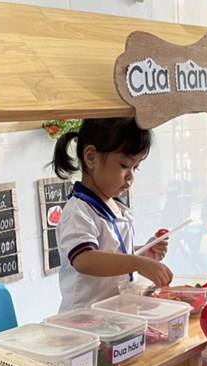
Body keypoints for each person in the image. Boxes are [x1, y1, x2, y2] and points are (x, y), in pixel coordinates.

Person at [51, 117, 172, 311]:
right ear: (91, 157)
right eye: (124, 165)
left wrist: (142, 252)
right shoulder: (79, 211)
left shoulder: (115, 206)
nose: (131, 176)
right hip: (84, 318)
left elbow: (111, 251)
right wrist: (137, 263)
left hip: (114, 315)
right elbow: (85, 259)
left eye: (136, 167)